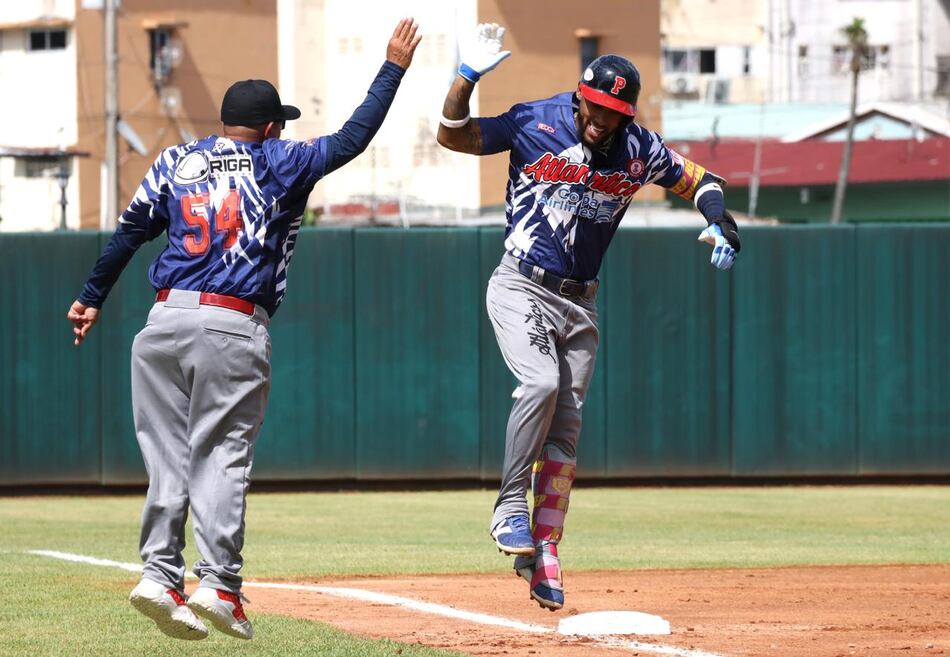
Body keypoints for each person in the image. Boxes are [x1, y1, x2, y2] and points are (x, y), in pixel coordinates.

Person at [66, 19, 421, 641]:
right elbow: (353, 137)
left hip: (162, 321)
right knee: (223, 453)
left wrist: (90, 297)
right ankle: (221, 585)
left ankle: (158, 573)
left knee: (167, 456)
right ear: (269, 126)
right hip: (230, 324)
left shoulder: (177, 158)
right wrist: (392, 67)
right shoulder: (280, 159)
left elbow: (128, 233)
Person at [437, 24, 740, 611]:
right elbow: (455, 137)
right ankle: (508, 508)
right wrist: (464, 80)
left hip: (582, 301)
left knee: (567, 433)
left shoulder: (638, 148)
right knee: (540, 383)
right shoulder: (535, 121)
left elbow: (701, 181)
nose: (602, 121)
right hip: (522, 283)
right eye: (596, 108)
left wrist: (721, 219)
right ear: (580, 97)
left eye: (614, 113)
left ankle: (542, 552)